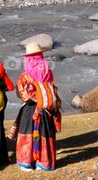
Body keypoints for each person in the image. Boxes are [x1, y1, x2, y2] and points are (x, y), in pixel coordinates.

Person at [12, 43, 62, 171]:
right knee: (44, 135)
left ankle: (27, 163)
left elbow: (22, 95)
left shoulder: (25, 76)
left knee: (27, 134)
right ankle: (44, 163)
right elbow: (53, 88)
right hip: (46, 110)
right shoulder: (47, 71)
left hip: (30, 110)